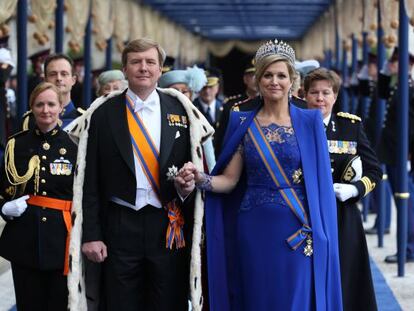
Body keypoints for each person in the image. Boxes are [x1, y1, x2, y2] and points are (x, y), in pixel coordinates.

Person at [176, 39, 342, 310]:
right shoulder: (241, 121)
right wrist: (200, 178)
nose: (274, 81)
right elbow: (229, 180)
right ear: (258, 79)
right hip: (253, 228)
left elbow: (322, 184)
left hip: (299, 229)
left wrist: (323, 232)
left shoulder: (310, 121)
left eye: (281, 75)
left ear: (292, 81)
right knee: (257, 298)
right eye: (267, 75)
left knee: (295, 299)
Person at [70, 38, 214, 311]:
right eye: (136, 62)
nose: (143, 68)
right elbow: (88, 180)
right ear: (125, 69)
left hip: (168, 224)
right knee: (120, 303)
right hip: (119, 225)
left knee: (168, 301)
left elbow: (193, 170)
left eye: (150, 62)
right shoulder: (101, 113)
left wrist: (185, 188)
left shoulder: (181, 110)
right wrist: (91, 234)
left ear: (160, 69)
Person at [305, 67, 380, 311]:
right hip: (304, 213)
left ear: (335, 96)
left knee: (345, 277)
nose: (320, 98)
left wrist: (355, 190)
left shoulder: (350, 127)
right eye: (314, 92)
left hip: (342, 214)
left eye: (326, 93)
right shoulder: (294, 127)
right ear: (304, 96)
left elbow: (374, 171)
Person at [0, 82, 77, 310]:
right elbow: (3, 186)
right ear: (31, 108)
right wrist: (4, 208)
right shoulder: (17, 144)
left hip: (62, 239)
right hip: (24, 238)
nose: (46, 110)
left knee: (59, 303)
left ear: (61, 107)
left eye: (51, 104)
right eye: (40, 104)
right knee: (28, 304)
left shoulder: (75, 146)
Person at [376, 47, 414, 263]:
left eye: (396, 62)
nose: (393, 65)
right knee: (403, 199)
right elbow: (381, 93)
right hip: (393, 150)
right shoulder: (399, 86)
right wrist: (384, 72)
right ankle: (407, 247)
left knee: (404, 200)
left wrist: (408, 151)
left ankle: (408, 248)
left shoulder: (409, 88)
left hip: (400, 151)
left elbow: (412, 124)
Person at [21, 53, 83, 130]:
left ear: (73, 80)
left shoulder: (84, 120)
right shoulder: (30, 121)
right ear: (45, 80)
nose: (59, 78)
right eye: (53, 74)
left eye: (64, 74)